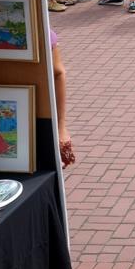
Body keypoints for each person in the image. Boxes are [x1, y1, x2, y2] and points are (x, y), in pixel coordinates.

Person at [49, 29, 75, 167]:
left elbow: (58, 73)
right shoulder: (44, 31)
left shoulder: (45, 33)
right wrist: (61, 127)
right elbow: (58, 73)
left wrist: (61, 127)